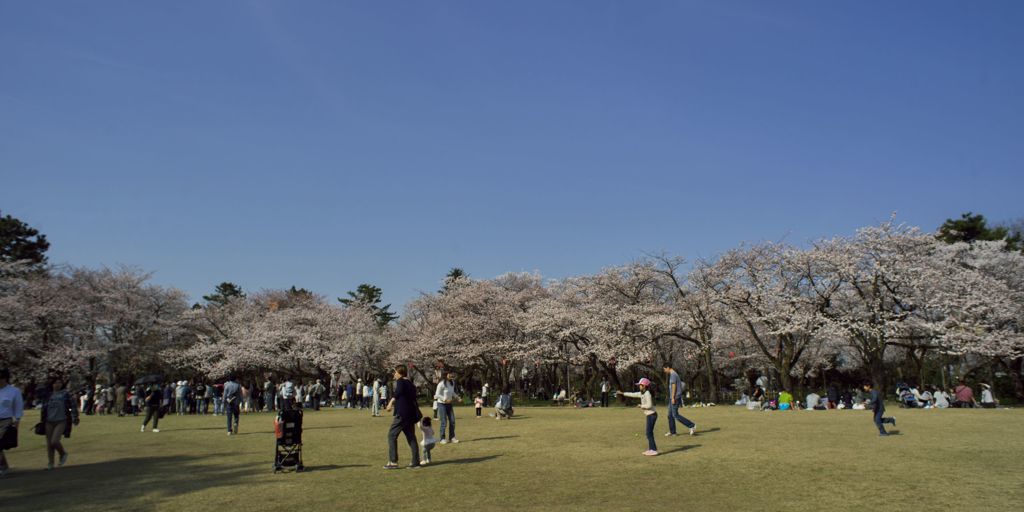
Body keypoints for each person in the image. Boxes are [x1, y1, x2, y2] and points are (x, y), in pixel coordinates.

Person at [384, 365, 422, 469]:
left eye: (395, 372)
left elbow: (398, 392)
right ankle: (416, 461)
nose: (394, 374)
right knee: (411, 437)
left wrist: (390, 403)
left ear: (399, 372)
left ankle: (393, 462)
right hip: (410, 414)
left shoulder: (401, 381)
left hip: (402, 414)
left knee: (391, 435)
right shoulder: (410, 383)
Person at [42, 378, 79, 470]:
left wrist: (75, 417)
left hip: (61, 420)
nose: (57, 384)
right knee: (49, 444)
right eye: (55, 383)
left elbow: (73, 405)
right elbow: (44, 408)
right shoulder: (48, 395)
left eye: (59, 382)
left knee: (54, 441)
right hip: (49, 421)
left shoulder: (65, 394)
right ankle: (51, 463)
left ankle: (62, 453)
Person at [617, 378, 658, 456]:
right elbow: (633, 394)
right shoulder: (643, 393)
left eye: (640, 385)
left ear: (644, 386)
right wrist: (623, 393)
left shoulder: (647, 393)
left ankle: (653, 450)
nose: (639, 386)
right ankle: (651, 449)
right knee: (649, 433)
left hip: (652, 415)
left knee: (649, 433)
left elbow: (649, 405)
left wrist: (641, 406)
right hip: (650, 415)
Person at [0, 368, 25, 477]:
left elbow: (18, 407)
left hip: (6, 419)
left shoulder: (13, 391)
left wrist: (17, 421)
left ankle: (2, 466)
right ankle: (3, 465)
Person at [663, 364, 696, 436]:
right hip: (673, 397)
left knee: (675, 415)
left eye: (664, 369)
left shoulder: (673, 375)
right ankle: (673, 432)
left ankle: (691, 425)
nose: (664, 371)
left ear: (668, 367)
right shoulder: (674, 374)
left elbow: (674, 386)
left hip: (675, 397)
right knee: (670, 415)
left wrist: (672, 397)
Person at [434, 372, 459, 444]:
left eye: (452, 374)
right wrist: (445, 400)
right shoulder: (441, 383)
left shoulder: (452, 382)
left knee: (452, 421)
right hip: (442, 404)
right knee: (444, 422)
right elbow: (437, 394)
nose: (452, 375)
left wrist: (457, 397)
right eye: (450, 374)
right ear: (446, 375)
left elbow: (452, 392)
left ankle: (452, 437)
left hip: (449, 404)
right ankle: (442, 438)